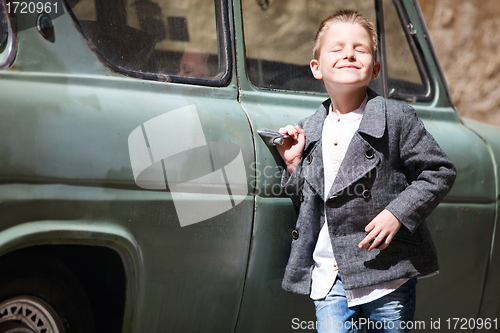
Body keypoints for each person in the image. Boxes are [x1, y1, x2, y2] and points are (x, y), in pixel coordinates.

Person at [276, 10, 456, 333]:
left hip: (385, 273)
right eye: (337, 48)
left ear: (375, 68)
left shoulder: (395, 118)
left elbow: (439, 170)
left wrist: (397, 214)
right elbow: (308, 204)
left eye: (360, 48)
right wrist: (293, 165)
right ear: (316, 68)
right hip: (330, 274)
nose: (348, 53)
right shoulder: (309, 131)